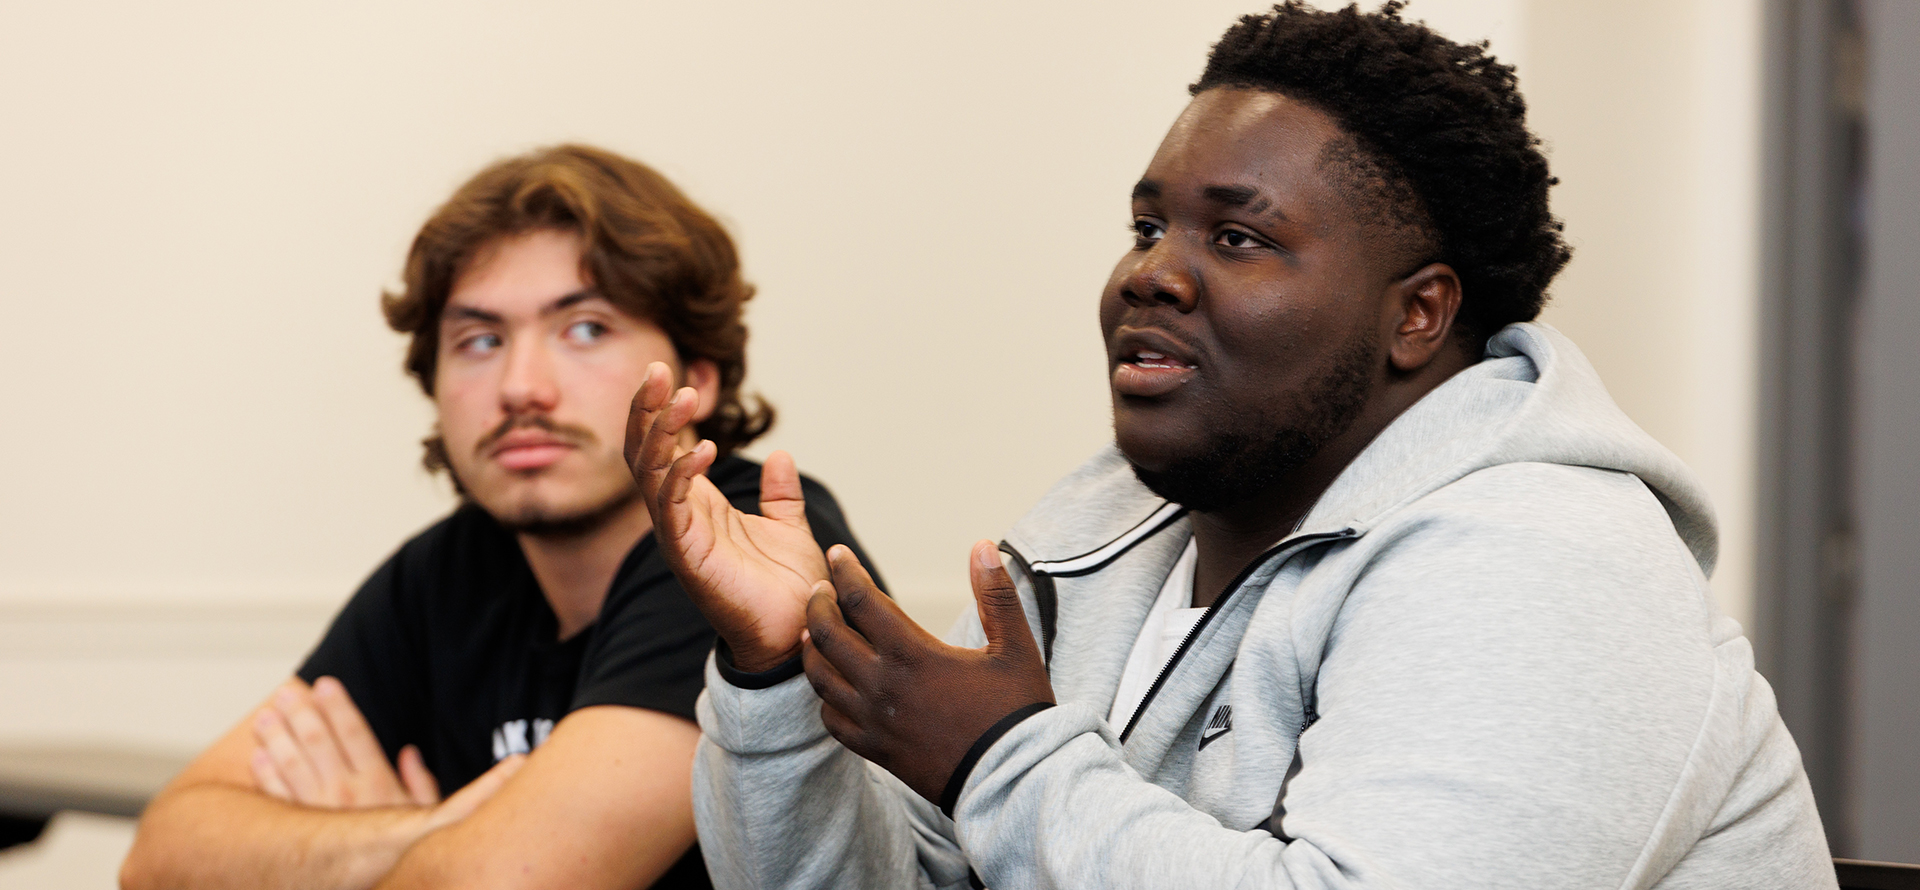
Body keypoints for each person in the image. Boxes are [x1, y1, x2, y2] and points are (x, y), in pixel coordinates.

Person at [626, 4, 1838, 888]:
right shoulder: (1107, 534)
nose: (1151, 269)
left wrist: (1000, 755)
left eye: (1239, 237)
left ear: (1418, 312)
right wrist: (779, 675)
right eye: (1147, 223)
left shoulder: (1546, 558)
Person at [121, 144, 878, 890]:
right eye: (480, 340)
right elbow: (161, 855)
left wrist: (352, 860)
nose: (522, 387)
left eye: (585, 328)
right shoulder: (451, 569)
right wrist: (423, 832)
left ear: (698, 378)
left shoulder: (753, 552)